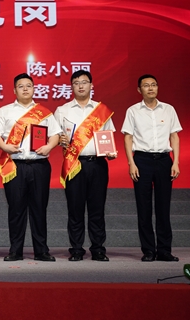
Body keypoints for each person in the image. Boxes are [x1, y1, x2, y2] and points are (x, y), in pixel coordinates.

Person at [0, 73, 61, 262]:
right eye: (21, 86)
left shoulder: (44, 112)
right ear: (14, 90)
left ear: (33, 89)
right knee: (16, 209)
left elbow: (55, 134)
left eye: (28, 85)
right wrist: (4, 146)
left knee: (39, 208)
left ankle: (41, 251)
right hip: (14, 165)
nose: (25, 89)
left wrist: (49, 146)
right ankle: (15, 250)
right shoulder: (4, 111)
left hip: (39, 165)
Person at [54, 70, 116, 262]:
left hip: (97, 164)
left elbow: (108, 137)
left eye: (84, 82)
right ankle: (76, 249)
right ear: (71, 86)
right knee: (75, 209)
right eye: (76, 83)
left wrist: (110, 152)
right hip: (74, 164)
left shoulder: (101, 110)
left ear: (91, 85)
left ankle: (98, 249)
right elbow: (54, 136)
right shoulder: (62, 110)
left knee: (97, 209)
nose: (80, 86)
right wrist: (60, 140)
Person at [122, 74, 182, 262]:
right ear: (139, 90)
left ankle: (164, 250)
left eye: (154, 85)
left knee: (164, 207)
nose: (151, 88)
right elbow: (128, 137)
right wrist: (131, 163)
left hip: (164, 160)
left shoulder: (168, 109)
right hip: (142, 160)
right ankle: (148, 250)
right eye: (146, 85)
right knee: (144, 207)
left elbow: (174, 136)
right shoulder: (133, 111)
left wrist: (176, 161)